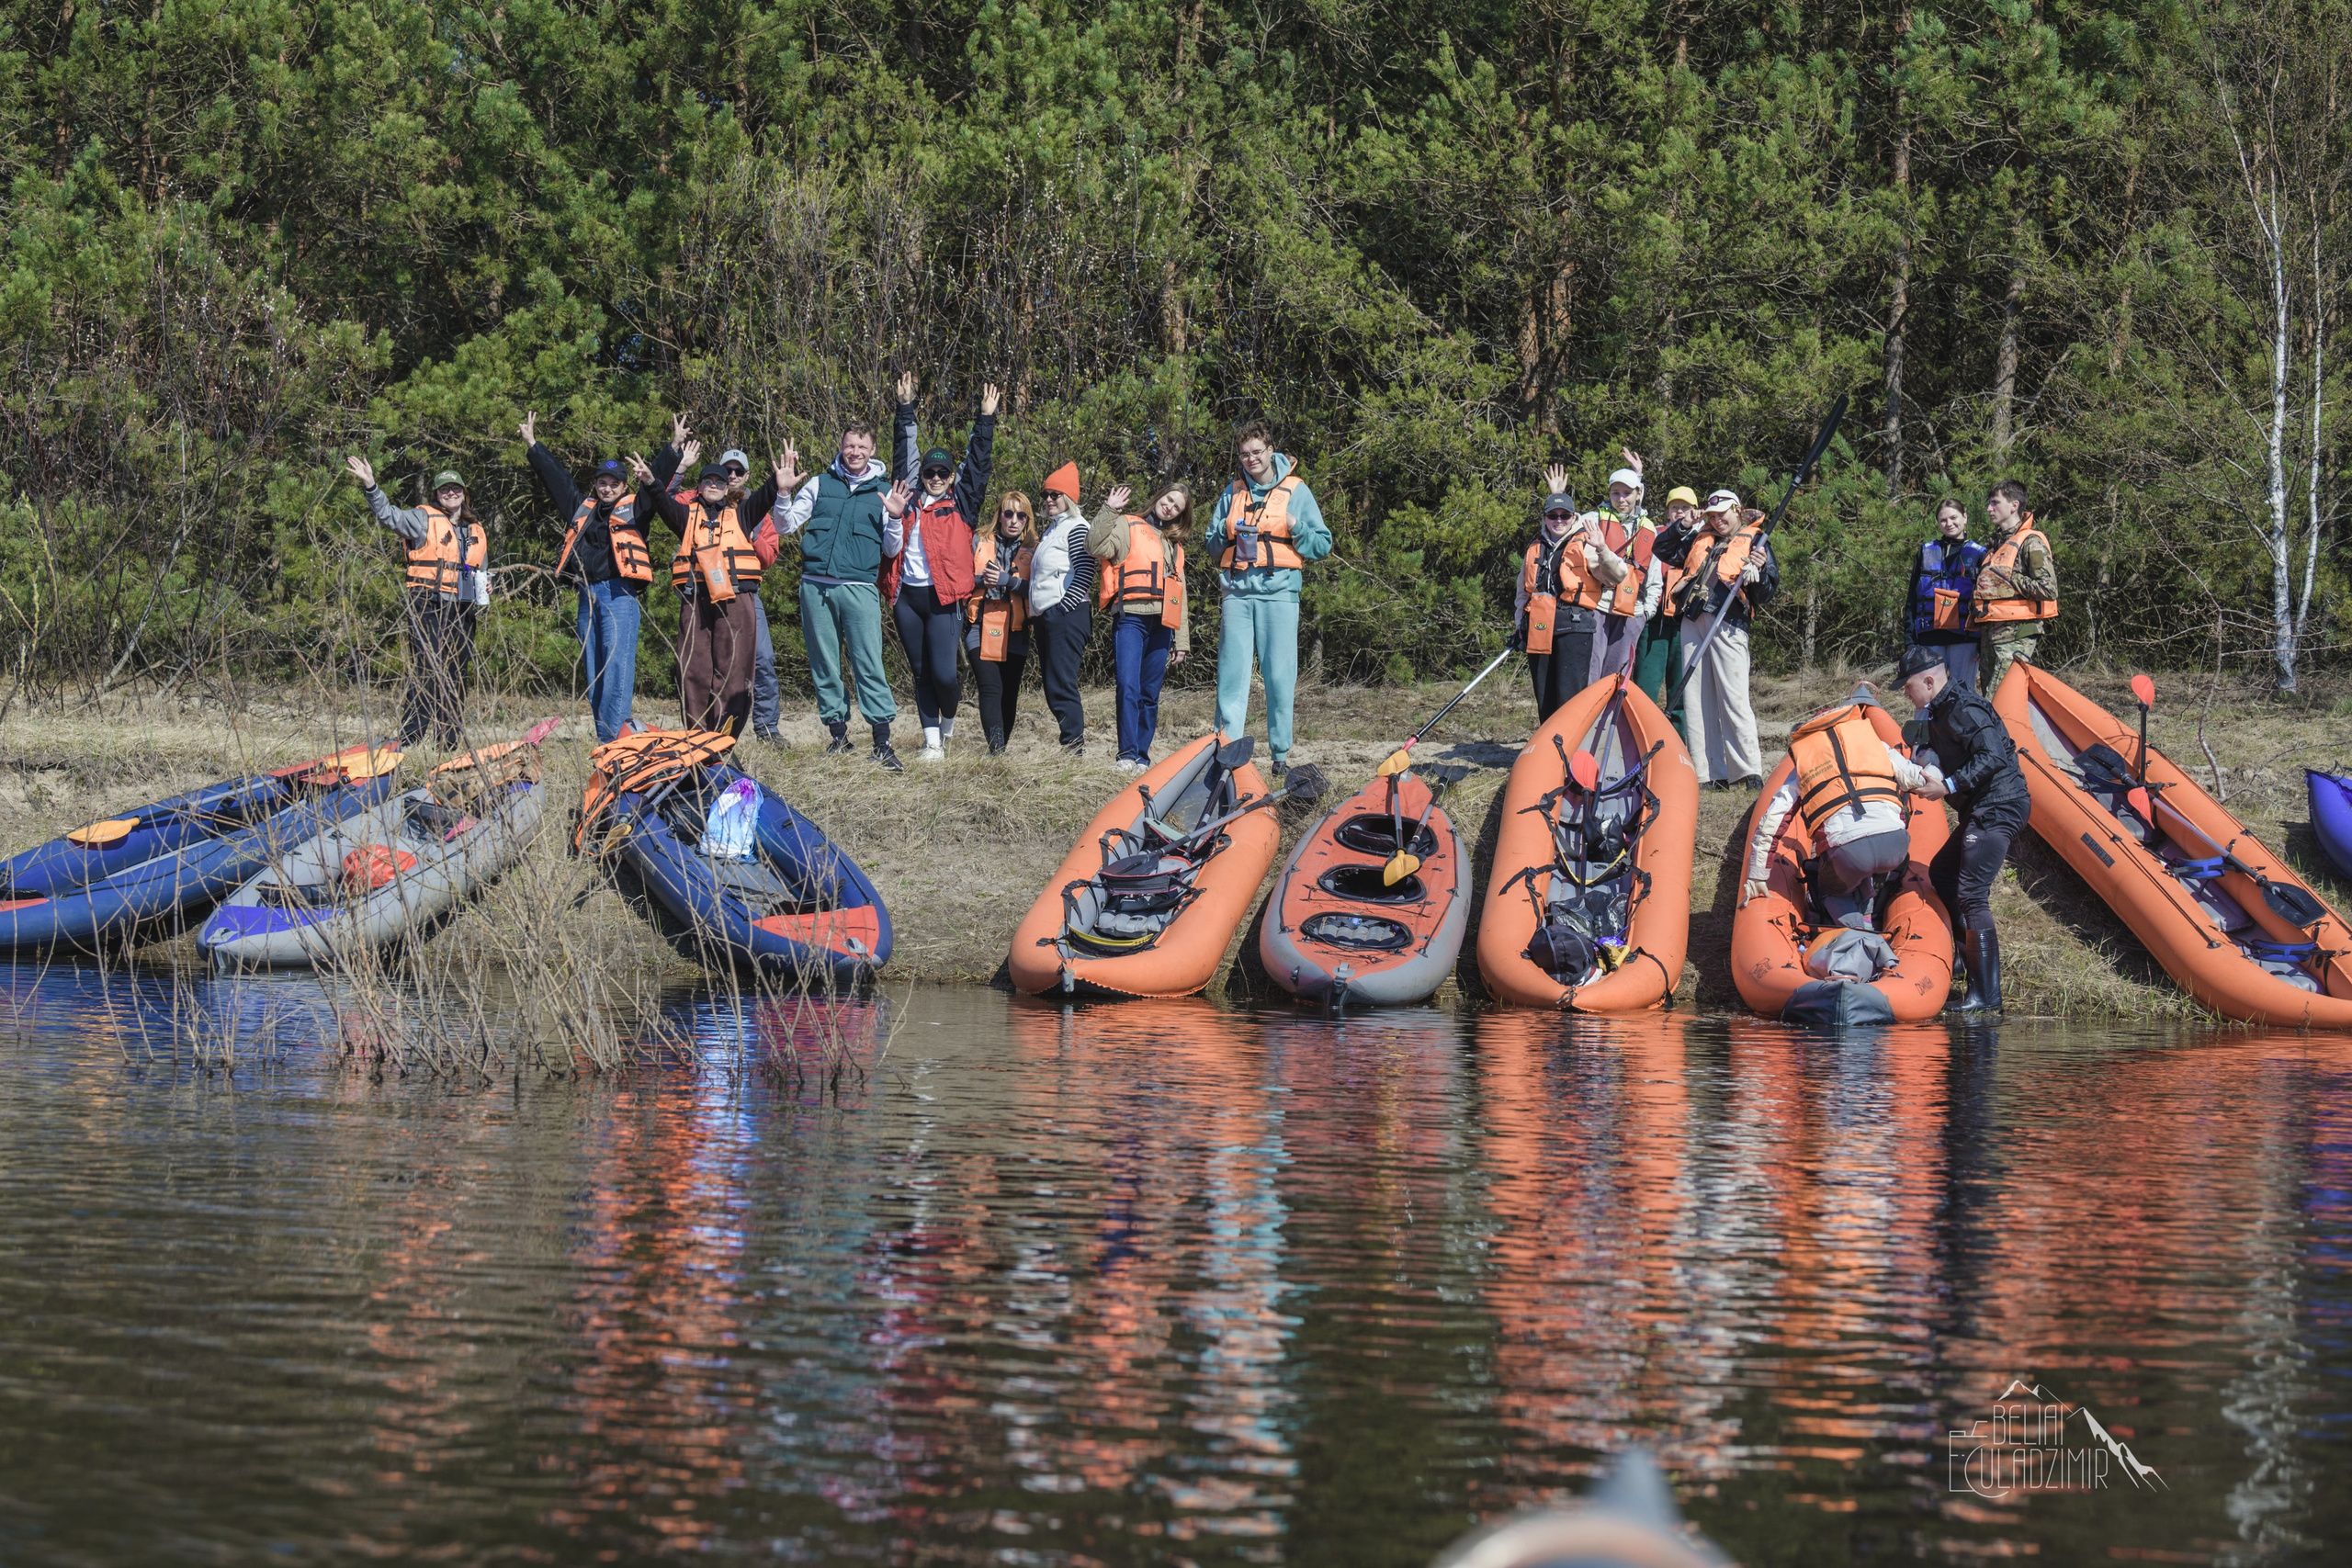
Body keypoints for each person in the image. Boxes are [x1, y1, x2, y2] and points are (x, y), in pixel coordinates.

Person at [521, 412, 676, 743]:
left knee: (616, 670)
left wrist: (673, 448)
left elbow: (655, 486)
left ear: (624, 485)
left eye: (614, 483)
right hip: (586, 596)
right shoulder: (582, 507)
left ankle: (615, 743)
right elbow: (557, 479)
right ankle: (604, 736)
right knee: (593, 672)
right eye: (602, 482)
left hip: (619, 595)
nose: (606, 488)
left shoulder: (636, 507)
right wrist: (534, 445)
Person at [1899, 644, 2030, 1013]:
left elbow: (1994, 756)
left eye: (1908, 686)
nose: (1906, 694)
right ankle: (1963, 958)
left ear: (1929, 680)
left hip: (2000, 804)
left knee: (1973, 893)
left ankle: (1986, 997)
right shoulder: (1938, 710)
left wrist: (1950, 786)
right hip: (1981, 808)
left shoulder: (1964, 707)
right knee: (1942, 871)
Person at [1739, 694, 1938, 931]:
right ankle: (1870, 914)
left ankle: (1859, 934)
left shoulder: (1806, 761)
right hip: (1895, 844)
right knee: (1863, 865)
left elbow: (1774, 818)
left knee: (1830, 887)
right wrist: (1938, 771)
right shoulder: (1875, 745)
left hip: (1848, 853)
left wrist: (1757, 874)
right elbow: (1917, 779)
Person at [775, 418, 905, 771]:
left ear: (873, 450)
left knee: (869, 662)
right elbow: (784, 525)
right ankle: (838, 737)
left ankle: (882, 742)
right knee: (824, 664)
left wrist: (894, 518)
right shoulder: (819, 483)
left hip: (860, 588)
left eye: (862, 447)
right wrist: (783, 493)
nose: (855, 452)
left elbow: (892, 550)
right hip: (815, 587)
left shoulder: (884, 491)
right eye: (850, 446)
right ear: (841, 446)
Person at [1204, 423, 1332, 780]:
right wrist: (1225, 532)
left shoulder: (1297, 491)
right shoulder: (1231, 493)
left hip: (1280, 595)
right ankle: (1226, 747)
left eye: (1257, 452)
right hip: (1237, 595)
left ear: (1270, 450)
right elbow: (1212, 546)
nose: (1251, 459)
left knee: (1279, 675)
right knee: (1232, 676)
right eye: (1245, 454)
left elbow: (1322, 544)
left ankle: (1279, 753)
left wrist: (1296, 526)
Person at [888, 374, 1001, 761]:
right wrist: (905, 410)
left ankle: (948, 719)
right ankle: (931, 741)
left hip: (945, 598)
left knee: (946, 675)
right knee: (921, 673)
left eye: (942, 473)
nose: (935, 478)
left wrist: (985, 420)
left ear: (951, 478)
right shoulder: (908, 498)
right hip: (907, 598)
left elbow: (979, 466)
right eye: (929, 473)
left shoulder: (962, 503)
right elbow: (904, 454)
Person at [344, 454, 487, 750]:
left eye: (456, 489)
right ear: (436, 495)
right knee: (429, 669)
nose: (451, 493)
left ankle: (446, 745)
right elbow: (389, 515)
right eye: (444, 490)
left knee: (457, 673)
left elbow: (482, 572)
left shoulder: (476, 530)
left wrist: (485, 594)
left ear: (464, 494)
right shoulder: (422, 519)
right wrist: (372, 486)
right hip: (427, 602)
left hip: (462, 609)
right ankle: (410, 741)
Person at [638, 452, 781, 739]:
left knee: (735, 671)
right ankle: (699, 738)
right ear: (700, 486)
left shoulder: (742, 514)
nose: (714, 484)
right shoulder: (685, 515)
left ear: (728, 488)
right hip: (696, 600)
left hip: (735, 600)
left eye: (720, 481)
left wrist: (778, 483)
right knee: (693, 668)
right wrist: (652, 481)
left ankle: (724, 738)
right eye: (708, 480)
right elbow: (663, 503)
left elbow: (764, 497)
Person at [1658, 490, 1776, 787]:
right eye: (1712, 515)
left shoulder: (1756, 540)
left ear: (1737, 510)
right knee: (1696, 699)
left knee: (1733, 696)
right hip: (1692, 619)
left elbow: (1766, 593)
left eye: (1722, 513)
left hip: (1728, 621)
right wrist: (1686, 524)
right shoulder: (1699, 536)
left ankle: (1748, 771)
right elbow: (1662, 548)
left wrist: (1759, 571)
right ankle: (1708, 773)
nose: (1717, 520)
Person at [1091, 480, 1193, 771]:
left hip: (1162, 624)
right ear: (1160, 495)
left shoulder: (1174, 546)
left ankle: (1141, 758)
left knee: (1150, 693)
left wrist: (1181, 641)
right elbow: (1094, 544)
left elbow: (1179, 594)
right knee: (1127, 685)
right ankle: (1126, 754)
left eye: (1177, 507)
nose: (1170, 507)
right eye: (1169, 499)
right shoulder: (1127, 525)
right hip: (1131, 619)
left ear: (1179, 515)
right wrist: (1109, 510)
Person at [1513, 473, 1629, 722]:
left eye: (1565, 515)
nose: (1559, 520)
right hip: (1540, 626)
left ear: (1574, 517)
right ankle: (1549, 751)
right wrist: (1519, 626)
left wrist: (1602, 548)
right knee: (1544, 697)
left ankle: (1570, 752)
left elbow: (1617, 576)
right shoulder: (1535, 547)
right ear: (1544, 518)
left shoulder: (1586, 544)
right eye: (1553, 515)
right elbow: (1523, 592)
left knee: (1570, 697)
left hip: (1574, 627)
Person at [1028, 464, 1098, 753]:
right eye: (1045, 494)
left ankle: (1073, 746)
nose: (1048, 500)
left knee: (1062, 684)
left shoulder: (1077, 527)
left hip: (1067, 616)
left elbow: (1085, 573)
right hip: (1050, 617)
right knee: (1053, 684)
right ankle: (1070, 743)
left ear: (1068, 497)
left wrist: (1061, 610)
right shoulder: (1051, 530)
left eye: (1055, 494)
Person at [1972, 479, 2057, 696]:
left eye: (1995, 503)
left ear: (2014, 505)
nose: (1989, 509)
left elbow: (2048, 589)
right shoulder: (1995, 546)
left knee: (1999, 702)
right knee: (1991, 703)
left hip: (2017, 636)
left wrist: (2010, 577)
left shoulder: (2031, 542)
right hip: (1991, 637)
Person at [967, 491, 1037, 753]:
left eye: (1021, 515)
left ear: (1027, 520)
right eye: (1008, 513)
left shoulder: (1035, 547)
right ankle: (996, 749)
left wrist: (1010, 582)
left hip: (1016, 629)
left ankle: (1000, 751)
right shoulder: (977, 540)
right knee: (990, 686)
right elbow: (957, 579)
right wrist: (980, 581)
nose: (1013, 520)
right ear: (999, 515)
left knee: (1009, 692)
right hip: (980, 623)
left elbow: (1040, 590)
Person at [1902, 497, 1986, 694]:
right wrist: (1909, 640)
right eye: (1943, 520)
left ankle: (1963, 726)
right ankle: (1923, 727)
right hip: (1929, 639)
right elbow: (1912, 600)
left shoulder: (1979, 553)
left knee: (1963, 695)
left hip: (1965, 639)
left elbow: (1986, 603)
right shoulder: (1925, 551)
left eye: (1954, 518)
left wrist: (1983, 643)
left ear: (1965, 518)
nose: (1949, 524)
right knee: (1926, 696)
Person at [1634, 482, 1697, 727]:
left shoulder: (1702, 539)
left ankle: (1678, 746)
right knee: (1645, 686)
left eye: (1685, 507)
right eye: (1674, 507)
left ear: (1694, 510)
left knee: (1681, 692)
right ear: (1667, 511)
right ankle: (1639, 744)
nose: (1679, 512)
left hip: (1687, 624)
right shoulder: (1655, 534)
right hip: (1654, 622)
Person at [1589, 453, 1656, 683]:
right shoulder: (1595, 517)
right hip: (1598, 607)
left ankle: (1609, 722)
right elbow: (1559, 523)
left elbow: (1655, 578)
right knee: (1591, 673)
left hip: (1632, 611)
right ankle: (1589, 720)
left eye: (1627, 493)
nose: (1621, 499)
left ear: (1639, 494)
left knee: (1615, 678)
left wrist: (1646, 612)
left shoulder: (1648, 528)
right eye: (1615, 493)